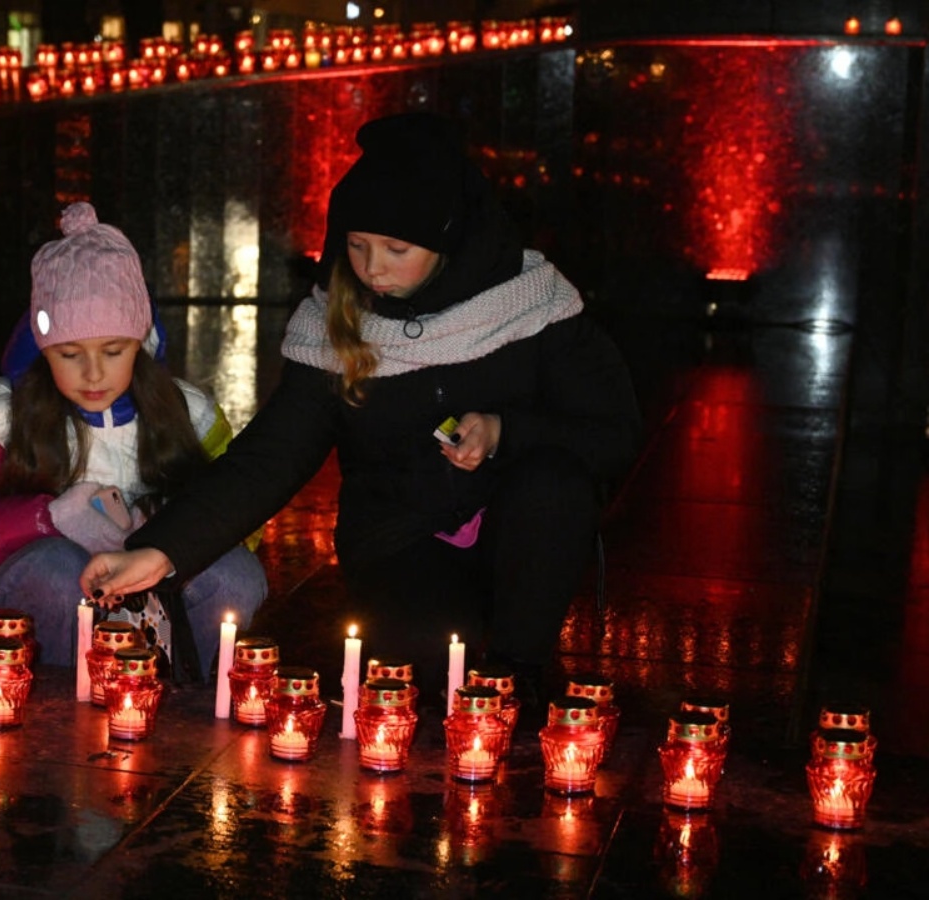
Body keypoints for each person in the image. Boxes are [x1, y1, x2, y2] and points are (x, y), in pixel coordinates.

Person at [81, 113, 644, 703]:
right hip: (398, 541)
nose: (372, 268)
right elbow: (270, 458)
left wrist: (508, 431)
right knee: (413, 682)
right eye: (356, 244)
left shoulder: (531, 303)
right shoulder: (335, 322)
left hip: (520, 538)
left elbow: (613, 432)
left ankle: (518, 671)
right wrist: (162, 550)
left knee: (554, 485)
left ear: (447, 238)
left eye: (396, 249)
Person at [0, 201, 267, 679]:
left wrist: (166, 527)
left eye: (114, 352)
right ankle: (52, 719)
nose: (93, 374)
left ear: (141, 342)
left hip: (155, 607)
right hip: (37, 602)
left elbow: (246, 519)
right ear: (41, 346)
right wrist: (46, 519)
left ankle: (180, 706)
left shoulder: (189, 412)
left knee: (235, 573)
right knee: (56, 568)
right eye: (69, 354)